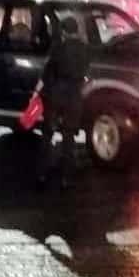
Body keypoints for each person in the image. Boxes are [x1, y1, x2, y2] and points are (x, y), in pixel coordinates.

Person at [37, 16, 90, 187]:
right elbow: (86, 71)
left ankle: (43, 173)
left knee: (48, 133)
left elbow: (47, 72)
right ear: (76, 30)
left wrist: (39, 91)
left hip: (57, 94)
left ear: (65, 32)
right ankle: (66, 177)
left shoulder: (58, 48)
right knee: (69, 136)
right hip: (74, 96)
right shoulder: (84, 49)